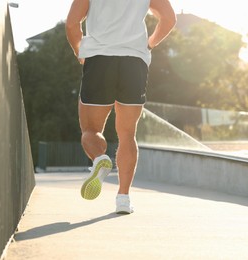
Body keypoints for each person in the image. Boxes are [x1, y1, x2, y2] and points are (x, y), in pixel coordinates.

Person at [66, 0, 176, 214]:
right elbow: (169, 18)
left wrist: (79, 50)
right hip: (134, 61)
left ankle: (100, 159)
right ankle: (123, 199)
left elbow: (72, 24)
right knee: (127, 134)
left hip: (99, 59)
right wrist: (150, 43)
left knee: (91, 130)